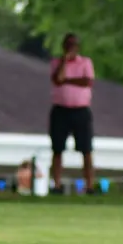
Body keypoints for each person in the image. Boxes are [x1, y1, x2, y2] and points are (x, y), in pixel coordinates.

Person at [49, 33, 97, 195]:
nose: (71, 48)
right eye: (68, 45)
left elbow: (87, 81)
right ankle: (57, 185)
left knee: (86, 149)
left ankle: (89, 185)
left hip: (81, 110)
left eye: (74, 45)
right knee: (57, 149)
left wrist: (67, 80)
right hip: (61, 110)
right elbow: (57, 79)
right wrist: (64, 62)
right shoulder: (56, 63)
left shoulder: (85, 62)